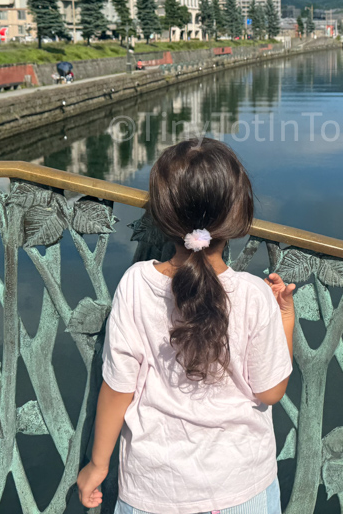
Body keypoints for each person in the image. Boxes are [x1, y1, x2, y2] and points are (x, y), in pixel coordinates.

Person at [77, 138, 296, 514]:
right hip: (242, 489)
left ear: (161, 215)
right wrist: (285, 319)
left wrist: (98, 465)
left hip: (153, 491)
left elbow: (117, 389)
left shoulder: (135, 284)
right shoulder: (254, 295)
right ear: (238, 215)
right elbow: (271, 391)